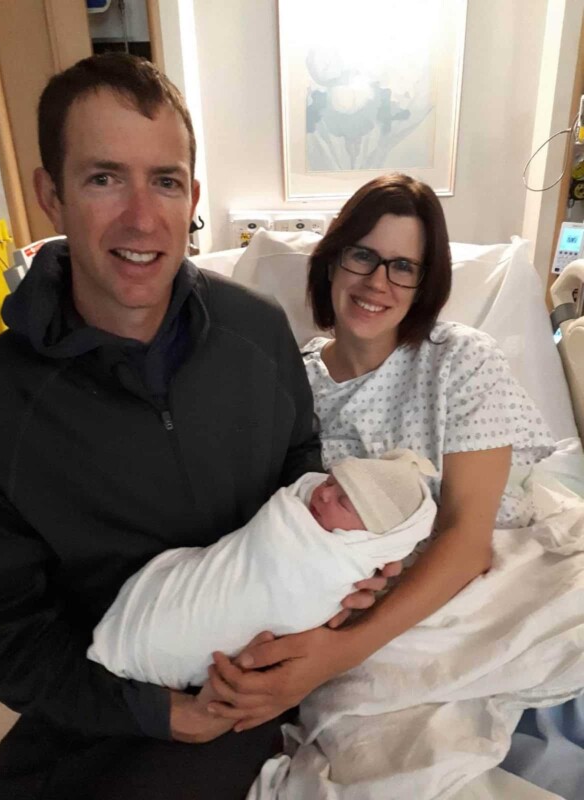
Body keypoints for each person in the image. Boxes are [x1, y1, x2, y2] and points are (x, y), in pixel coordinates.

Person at [0, 54, 397, 800]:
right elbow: (3, 635)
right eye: (104, 177)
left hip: (259, 678)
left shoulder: (260, 333)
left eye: (165, 181)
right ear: (51, 194)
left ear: (192, 195)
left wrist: (346, 566)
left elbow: (300, 472)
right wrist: (156, 710)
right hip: (102, 696)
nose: (143, 219)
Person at [201, 173, 557, 739]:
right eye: (362, 256)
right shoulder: (292, 386)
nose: (377, 282)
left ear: (424, 283)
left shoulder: (460, 362)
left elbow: (467, 542)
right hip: (357, 608)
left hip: (475, 586)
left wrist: (333, 655)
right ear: (332, 262)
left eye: (403, 266)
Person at [88, 450, 437, 690]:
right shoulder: (294, 508)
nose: (324, 495)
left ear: (370, 540)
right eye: (331, 482)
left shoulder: (344, 562)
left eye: (344, 502)